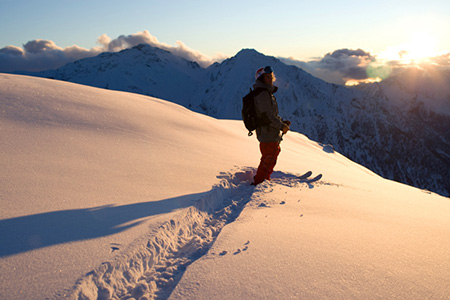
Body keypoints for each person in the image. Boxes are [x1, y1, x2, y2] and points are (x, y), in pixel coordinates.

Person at [252, 66, 290, 185]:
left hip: (269, 132)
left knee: (270, 157)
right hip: (267, 132)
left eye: (271, 77)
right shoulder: (263, 94)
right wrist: (281, 126)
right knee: (269, 158)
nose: (270, 79)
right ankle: (260, 183)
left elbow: (271, 114)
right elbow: (267, 116)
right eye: (267, 77)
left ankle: (262, 180)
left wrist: (282, 124)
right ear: (261, 79)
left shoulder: (266, 93)